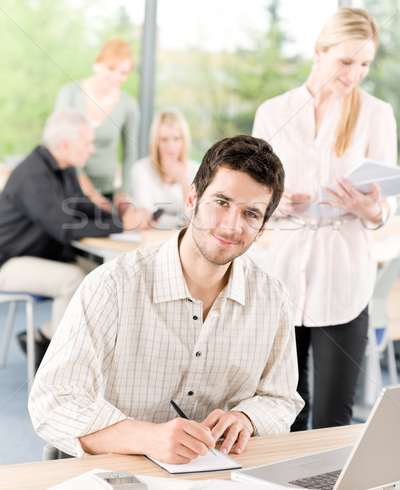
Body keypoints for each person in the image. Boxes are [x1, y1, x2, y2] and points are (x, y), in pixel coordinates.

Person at [28, 134, 303, 462]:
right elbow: (52, 402)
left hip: (218, 477)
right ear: (192, 200)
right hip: (116, 478)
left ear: (262, 227)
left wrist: (247, 418)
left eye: (251, 214)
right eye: (222, 202)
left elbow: (282, 398)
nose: (232, 225)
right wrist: (147, 437)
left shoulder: (272, 298)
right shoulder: (113, 285)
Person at [252, 7, 398, 431]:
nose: (355, 74)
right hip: (284, 279)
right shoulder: (274, 113)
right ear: (318, 52)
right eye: (346, 62)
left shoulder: (375, 113)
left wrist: (366, 207)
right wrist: (277, 205)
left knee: (333, 421)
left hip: (344, 280)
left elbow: (386, 207)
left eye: (365, 64)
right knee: (284, 416)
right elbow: (254, 197)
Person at [0, 110, 149, 369]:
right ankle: (57, 370)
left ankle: (44, 335)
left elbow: (83, 208)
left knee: (107, 276)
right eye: (87, 143)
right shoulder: (32, 176)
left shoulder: (64, 168)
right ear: (66, 145)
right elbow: (64, 227)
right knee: (72, 280)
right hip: (9, 263)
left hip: (41, 257)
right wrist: (121, 224)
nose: (92, 150)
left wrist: (123, 219)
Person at [54, 38, 139, 211]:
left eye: (123, 72)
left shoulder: (129, 105)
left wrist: (124, 193)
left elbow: (130, 153)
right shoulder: (69, 94)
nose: (116, 77)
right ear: (98, 64)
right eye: (111, 68)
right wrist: (88, 189)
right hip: (68, 185)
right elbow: (59, 143)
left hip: (105, 191)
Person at [130, 110, 199, 229]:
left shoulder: (196, 169)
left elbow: (197, 218)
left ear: (184, 140)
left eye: (176, 139)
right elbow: (147, 218)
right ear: (156, 142)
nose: (170, 147)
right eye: (164, 140)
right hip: (152, 237)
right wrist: (180, 222)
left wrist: (183, 181)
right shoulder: (141, 169)